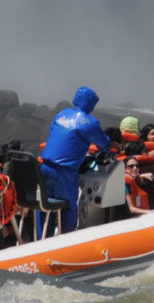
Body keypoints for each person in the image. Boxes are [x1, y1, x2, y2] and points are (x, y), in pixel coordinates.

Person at [38, 86, 112, 235]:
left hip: (44, 167)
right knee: (69, 207)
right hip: (64, 172)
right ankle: (67, 240)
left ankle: (42, 240)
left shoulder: (62, 114)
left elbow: (52, 131)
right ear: (91, 104)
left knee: (44, 206)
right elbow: (104, 144)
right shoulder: (90, 123)